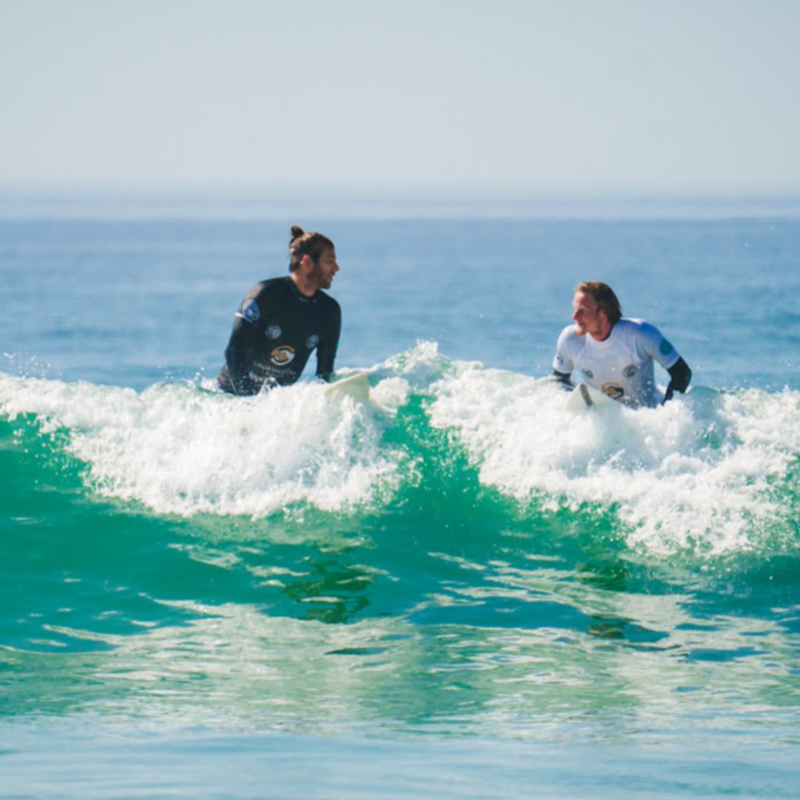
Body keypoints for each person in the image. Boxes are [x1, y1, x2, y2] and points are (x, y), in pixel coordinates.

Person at [218, 225, 341, 395]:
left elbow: (324, 373)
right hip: (230, 395)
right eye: (329, 261)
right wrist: (246, 399)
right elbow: (234, 351)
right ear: (307, 262)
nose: (336, 268)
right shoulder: (264, 295)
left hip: (276, 404)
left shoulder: (330, 311)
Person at [553, 281, 691, 407]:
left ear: (604, 312)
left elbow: (682, 373)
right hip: (606, 420)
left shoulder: (640, 333)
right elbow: (560, 380)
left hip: (645, 419)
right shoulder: (570, 339)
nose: (574, 316)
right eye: (575, 308)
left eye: (583, 310)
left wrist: (666, 412)